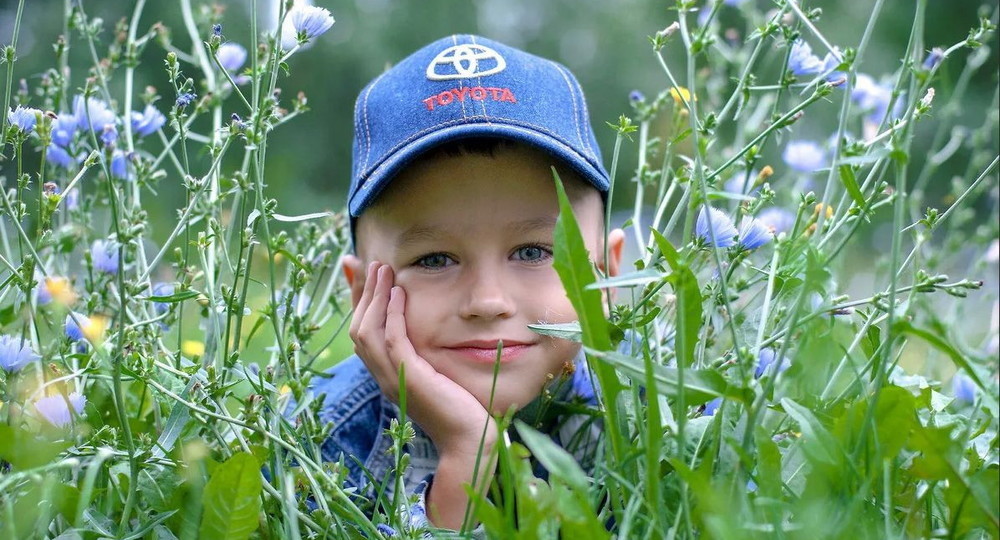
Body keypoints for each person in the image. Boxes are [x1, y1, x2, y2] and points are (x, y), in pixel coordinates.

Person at [312, 34, 625, 533]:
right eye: (435, 258)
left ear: (606, 275)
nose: (487, 301)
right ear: (360, 292)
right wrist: (466, 454)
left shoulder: (658, 424)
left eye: (533, 252)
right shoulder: (316, 440)